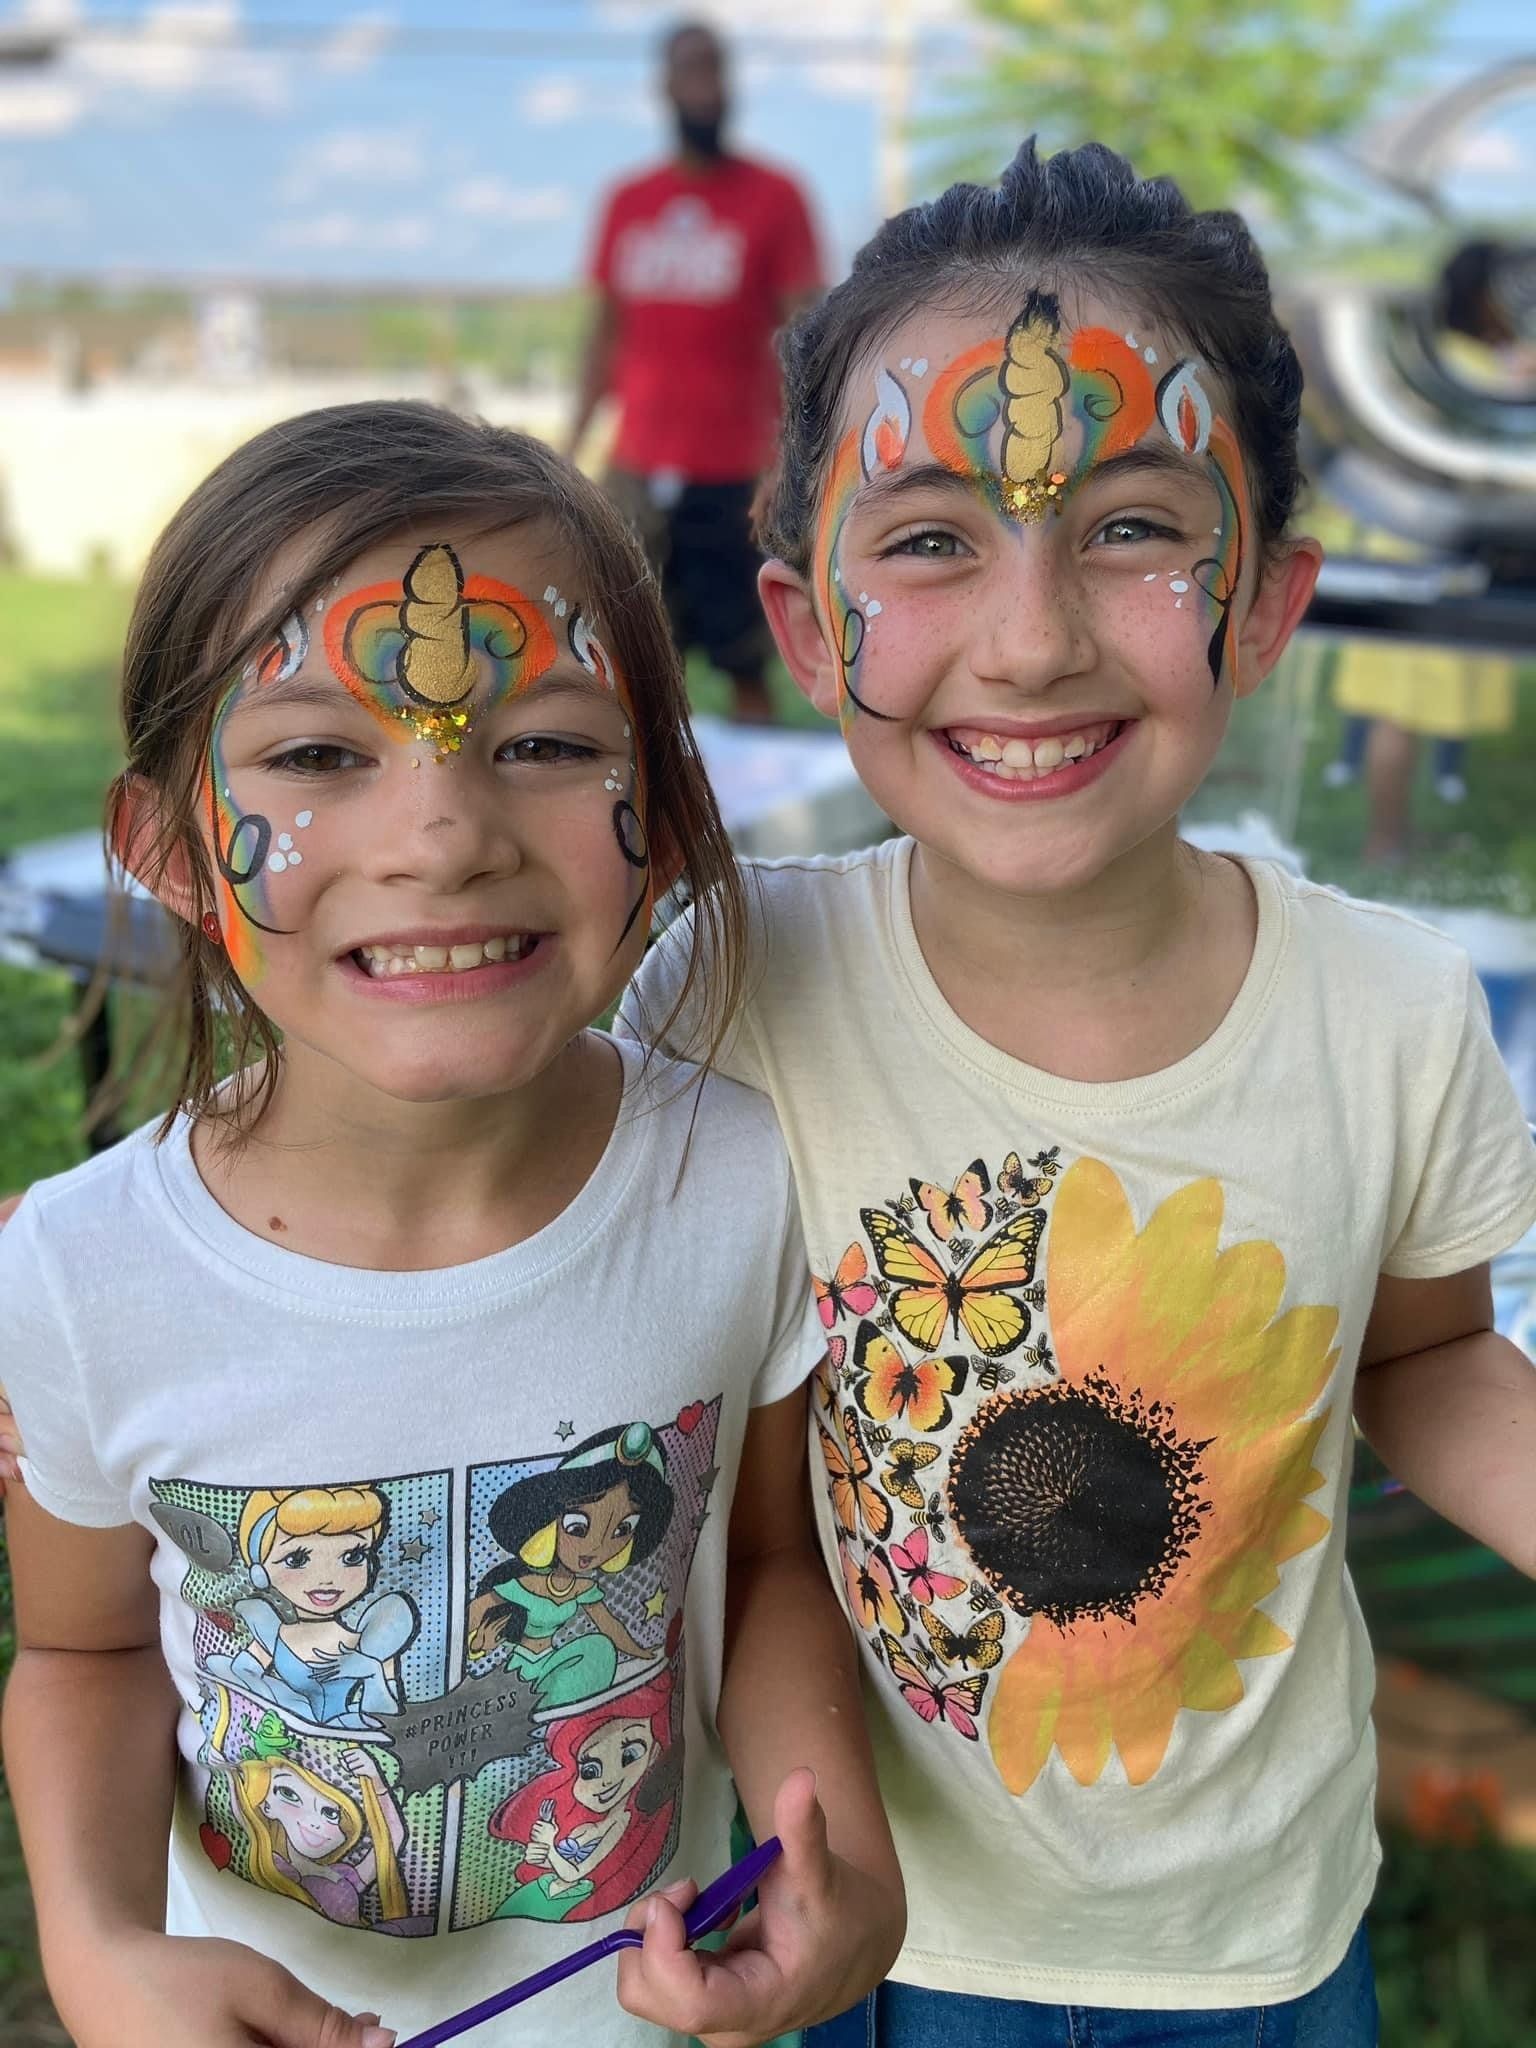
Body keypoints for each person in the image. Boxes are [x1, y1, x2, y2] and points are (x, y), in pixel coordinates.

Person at [623, 140, 1536, 2043]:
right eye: (932, 538)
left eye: (1131, 526)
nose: (1030, 637)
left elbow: (1426, 1355)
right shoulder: (723, 991)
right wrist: (170, 1234)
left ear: (1267, 601)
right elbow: (478, 1180)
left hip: (1264, 1941)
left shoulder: (1390, 1011)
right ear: (809, 627)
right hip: (871, 1934)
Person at [0, 401, 903, 2048]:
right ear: (168, 848)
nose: (441, 834)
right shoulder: (76, 1275)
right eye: (317, 754)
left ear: (670, 817)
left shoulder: (738, 1177)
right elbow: (80, 1653)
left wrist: (818, 1815)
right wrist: (93, 1935)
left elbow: (771, 1556)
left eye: (549, 742)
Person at [567, 17, 823, 725]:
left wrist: (799, 457)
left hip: (739, 477)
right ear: (666, 87)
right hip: (639, 474)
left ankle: (755, 834)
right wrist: (567, 452)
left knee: (746, 664)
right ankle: (649, 823)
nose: (704, 87)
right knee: (634, 668)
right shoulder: (629, 202)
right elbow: (604, 337)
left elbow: (808, 336)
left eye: (715, 70)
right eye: (690, 71)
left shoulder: (775, 197)